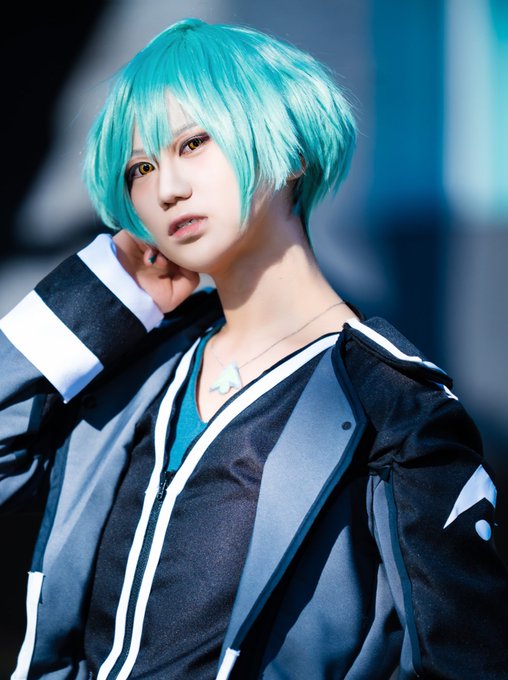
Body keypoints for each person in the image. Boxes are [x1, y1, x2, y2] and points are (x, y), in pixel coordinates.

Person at [1, 17, 507, 680]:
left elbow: (461, 659)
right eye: (141, 168)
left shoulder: (396, 409)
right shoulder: (134, 366)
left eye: (193, 143)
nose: (166, 189)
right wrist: (95, 298)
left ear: (289, 151)